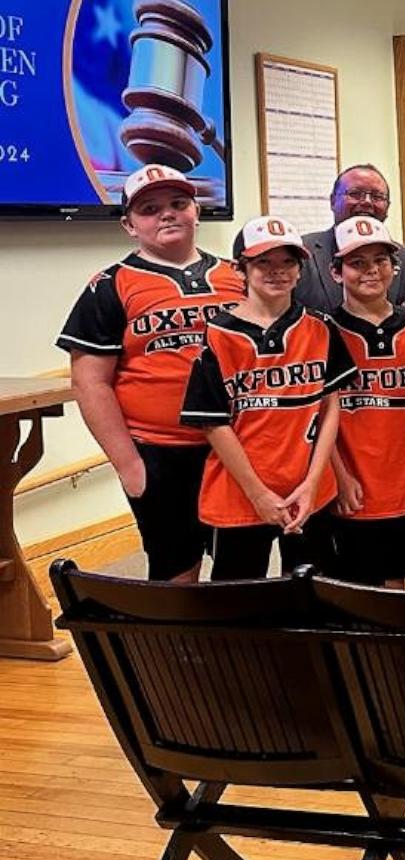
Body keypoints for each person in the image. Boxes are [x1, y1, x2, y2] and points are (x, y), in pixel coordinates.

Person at [57, 165, 244, 583]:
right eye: (149, 208)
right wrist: (129, 464)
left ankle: (236, 647)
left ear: (197, 211)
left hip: (238, 447)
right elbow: (91, 382)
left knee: (239, 567)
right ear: (129, 224)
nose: (167, 214)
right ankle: (179, 650)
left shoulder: (239, 276)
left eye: (179, 203)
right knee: (177, 569)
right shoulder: (110, 286)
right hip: (161, 453)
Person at [179, 216, 354, 580]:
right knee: (239, 602)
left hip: (308, 489)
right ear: (240, 269)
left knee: (315, 591)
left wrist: (312, 482)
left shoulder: (320, 328)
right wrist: (258, 493)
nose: (278, 272)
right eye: (263, 263)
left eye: (287, 262)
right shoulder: (218, 334)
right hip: (240, 491)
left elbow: (330, 407)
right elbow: (214, 424)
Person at [326, 217, 405, 588]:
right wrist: (339, 476)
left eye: (380, 261)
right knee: (352, 588)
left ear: (394, 267)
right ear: (336, 272)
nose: (371, 271)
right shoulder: (324, 332)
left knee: (397, 583)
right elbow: (316, 418)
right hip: (350, 486)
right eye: (357, 263)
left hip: (404, 480)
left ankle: (392, 650)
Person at [294, 164, 405, 312]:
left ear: (388, 207)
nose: (367, 202)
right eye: (355, 194)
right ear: (332, 201)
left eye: (377, 197)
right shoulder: (299, 254)